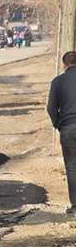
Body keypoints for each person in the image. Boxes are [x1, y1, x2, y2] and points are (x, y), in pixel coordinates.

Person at [47, 51, 76, 215]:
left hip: (68, 128)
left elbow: (51, 108)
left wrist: (59, 124)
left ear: (64, 65)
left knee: (72, 167)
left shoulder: (57, 81)